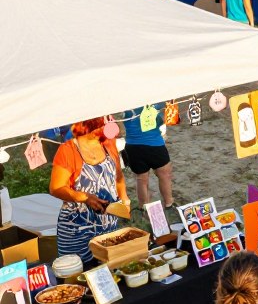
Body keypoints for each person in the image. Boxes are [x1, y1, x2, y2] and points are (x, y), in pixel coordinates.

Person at [49, 118, 129, 263]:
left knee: (110, 271)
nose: (110, 123)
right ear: (88, 123)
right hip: (77, 230)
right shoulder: (68, 150)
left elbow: (118, 177)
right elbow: (56, 188)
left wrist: (124, 199)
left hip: (108, 226)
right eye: (105, 120)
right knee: (80, 277)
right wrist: (85, 197)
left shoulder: (109, 143)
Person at [122, 103, 173, 207]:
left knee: (141, 179)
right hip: (155, 143)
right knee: (164, 175)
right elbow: (164, 118)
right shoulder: (154, 99)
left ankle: (144, 207)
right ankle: (169, 203)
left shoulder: (125, 99)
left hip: (133, 146)